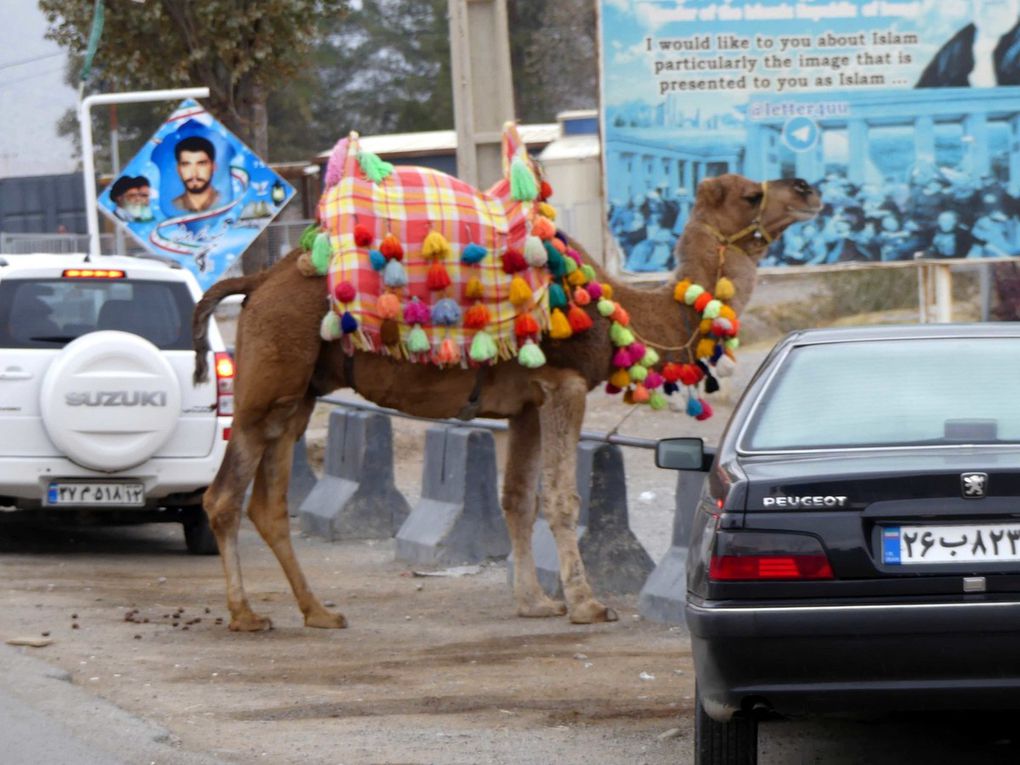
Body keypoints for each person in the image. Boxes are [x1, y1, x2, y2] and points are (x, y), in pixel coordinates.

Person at [917, 0, 1020, 87]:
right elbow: (924, 94)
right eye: (984, 6)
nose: (990, 12)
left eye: (999, 4)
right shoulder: (960, 43)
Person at [172, 135, 220, 212]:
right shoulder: (173, 206)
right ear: (178, 169)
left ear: (214, 167)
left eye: (201, 164)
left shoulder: (226, 201)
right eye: (186, 165)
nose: (194, 174)